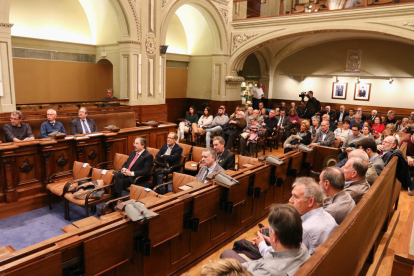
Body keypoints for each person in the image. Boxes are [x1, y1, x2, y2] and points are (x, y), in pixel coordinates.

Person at [220, 204, 310, 276]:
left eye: (269, 231)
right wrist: (272, 242)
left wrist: (217, 270)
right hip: (258, 265)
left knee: (226, 253)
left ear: (274, 235)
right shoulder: (302, 247)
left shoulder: (267, 271)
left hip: (253, 270)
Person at [289, 177, 338, 254]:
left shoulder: (305, 229)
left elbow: (290, 257)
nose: (290, 200)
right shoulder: (328, 216)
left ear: (310, 202)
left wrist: (263, 244)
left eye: (296, 197)